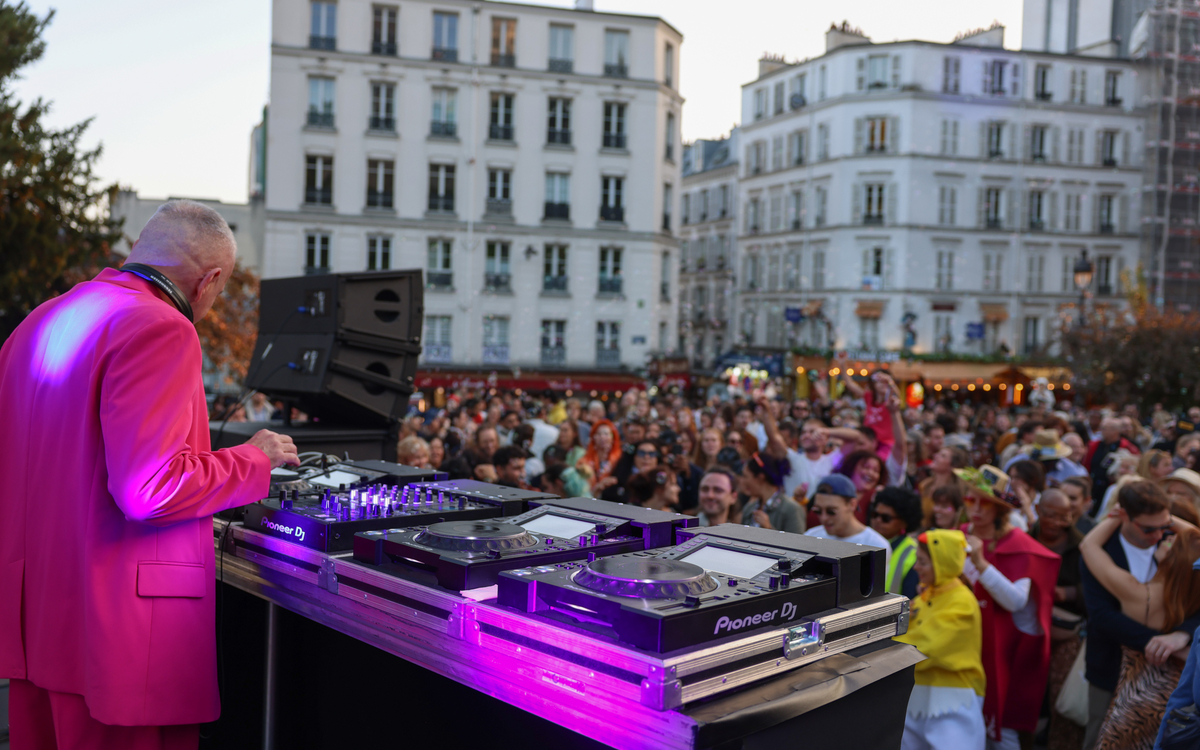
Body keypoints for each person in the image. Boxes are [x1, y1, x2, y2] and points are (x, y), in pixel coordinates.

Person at [0, 200, 298, 747]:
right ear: (208, 281)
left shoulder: (35, 324)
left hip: (36, 625)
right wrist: (254, 458)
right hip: (116, 640)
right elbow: (148, 489)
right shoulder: (161, 326)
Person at [1081, 480, 1200, 750]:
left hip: (1146, 691)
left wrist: (1181, 635)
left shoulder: (1134, 591)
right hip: (1115, 671)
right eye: (1149, 528)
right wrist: (1163, 644)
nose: (1160, 536)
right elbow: (1101, 616)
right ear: (1126, 515)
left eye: (1165, 526)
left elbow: (1088, 546)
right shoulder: (1189, 571)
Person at [958, 466, 1060, 749]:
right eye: (970, 500)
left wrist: (980, 563)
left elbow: (1015, 601)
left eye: (984, 502)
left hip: (1004, 650)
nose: (975, 509)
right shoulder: (959, 534)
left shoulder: (1018, 542)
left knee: (1001, 732)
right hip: (964, 644)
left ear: (1000, 509)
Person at [896, 530, 987, 750]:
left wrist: (884, 648)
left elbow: (928, 646)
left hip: (952, 700)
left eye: (923, 562)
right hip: (917, 697)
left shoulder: (962, 602)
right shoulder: (926, 596)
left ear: (942, 563)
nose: (916, 567)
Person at [1032, 489, 1088, 750]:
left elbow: (1097, 591)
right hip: (1027, 629)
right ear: (1038, 512)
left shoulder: (1083, 547)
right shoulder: (1024, 539)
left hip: (1065, 633)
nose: (1055, 522)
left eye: (1063, 517)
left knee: (1060, 697)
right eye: (1049, 515)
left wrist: (1069, 592)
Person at [805, 474, 891, 568]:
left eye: (831, 512)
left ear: (852, 505)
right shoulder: (810, 537)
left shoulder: (876, 545)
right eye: (818, 511)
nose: (823, 518)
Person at [871, 487, 924, 598]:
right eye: (875, 515)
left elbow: (909, 600)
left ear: (904, 522)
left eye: (886, 518)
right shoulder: (865, 542)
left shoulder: (913, 554)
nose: (878, 520)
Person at [1087, 417, 1141, 516]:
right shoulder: (1094, 445)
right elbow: (1086, 464)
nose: (1101, 431)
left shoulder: (1129, 448)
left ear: (1115, 431)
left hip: (1113, 489)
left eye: (1104, 428)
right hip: (1093, 487)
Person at [739, 452, 804, 533]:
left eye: (745, 476)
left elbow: (796, 544)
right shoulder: (749, 509)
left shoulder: (791, 510)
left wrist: (769, 529)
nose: (742, 481)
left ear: (760, 478)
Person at [919, 447, 969, 529]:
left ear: (953, 466)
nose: (935, 456)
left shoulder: (956, 493)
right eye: (937, 453)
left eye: (943, 456)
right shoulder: (924, 485)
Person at [579, 419, 622, 492]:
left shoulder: (620, 458)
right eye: (598, 434)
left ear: (613, 437)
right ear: (593, 438)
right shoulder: (584, 460)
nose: (602, 437)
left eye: (606, 434)